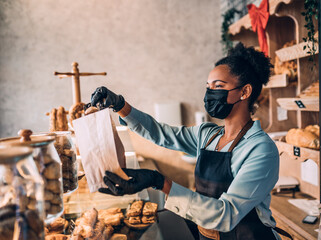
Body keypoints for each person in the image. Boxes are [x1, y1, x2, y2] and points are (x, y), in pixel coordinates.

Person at [91, 42, 282, 240]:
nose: (209, 94)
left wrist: (160, 181)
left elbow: (225, 215)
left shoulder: (260, 149)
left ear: (245, 92)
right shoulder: (208, 135)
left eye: (218, 86)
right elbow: (160, 133)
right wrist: (121, 106)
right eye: (208, 87)